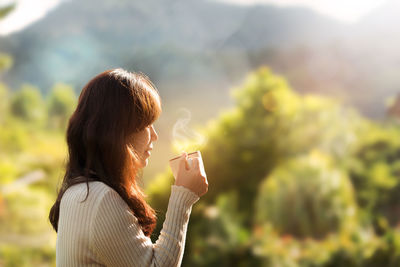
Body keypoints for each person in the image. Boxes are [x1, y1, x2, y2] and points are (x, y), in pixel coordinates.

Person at [48, 68, 208, 267]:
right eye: (146, 126)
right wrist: (183, 197)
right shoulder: (100, 200)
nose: (154, 136)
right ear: (119, 132)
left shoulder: (80, 192)